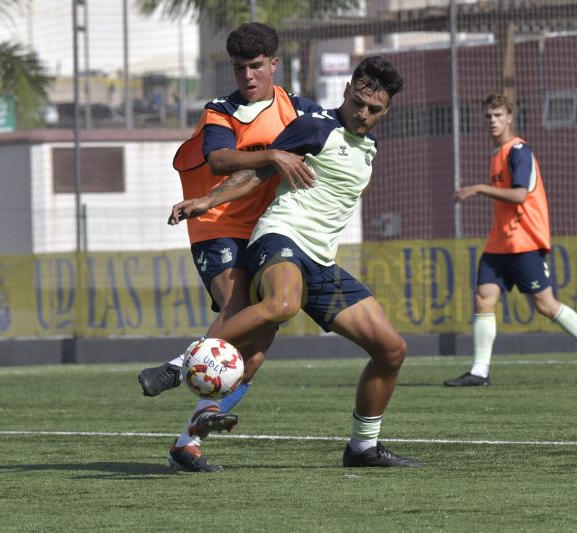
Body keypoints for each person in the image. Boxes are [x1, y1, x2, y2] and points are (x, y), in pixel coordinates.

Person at [171, 56, 419, 468]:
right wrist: (207, 200)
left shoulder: (368, 148)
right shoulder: (316, 125)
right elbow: (260, 172)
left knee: (392, 350)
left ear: (386, 111)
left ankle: (363, 447)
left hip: (321, 263)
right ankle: (182, 363)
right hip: (280, 239)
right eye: (358, 102)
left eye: (374, 109)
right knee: (281, 306)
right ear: (347, 90)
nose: (363, 113)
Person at [137, 22, 322, 473]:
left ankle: (188, 442)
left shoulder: (298, 109)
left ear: (273, 64)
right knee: (239, 306)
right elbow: (219, 160)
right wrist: (273, 155)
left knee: (260, 340)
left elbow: (332, 135)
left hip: (265, 230)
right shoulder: (220, 110)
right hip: (215, 223)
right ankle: (181, 365)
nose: (248, 76)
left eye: (256, 66)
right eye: (240, 68)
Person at [443, 93, 577, 387]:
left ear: (510, 117)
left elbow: (520, 195)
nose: (493, 121)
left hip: (525, 241)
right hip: (499, 243)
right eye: (488, 116)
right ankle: (480, 371)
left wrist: (479, 188)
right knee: (484, 299)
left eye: (498, 115)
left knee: (545, 305)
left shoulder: (519, 150)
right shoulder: (497, 154)